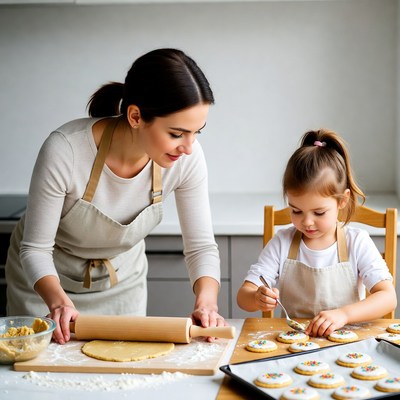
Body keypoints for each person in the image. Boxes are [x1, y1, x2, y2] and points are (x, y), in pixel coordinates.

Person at [6, 48, 226, 344]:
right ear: (136, 116)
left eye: (197, 132)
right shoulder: (66, 151)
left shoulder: (186, 158)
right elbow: (34, 249)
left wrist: (206, 302)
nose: (188, 146)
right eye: (176, 134)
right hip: (46, 286)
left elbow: (201, 247)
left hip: (121, 283)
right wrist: (57, 303)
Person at [237, 129, 397, 337]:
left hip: (346, 342)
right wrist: (257, 298)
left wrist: (344, 314)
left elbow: (387, 297)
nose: (307, 222)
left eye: (319, 212)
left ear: (342, 201)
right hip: (294, 343)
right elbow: (243, 297)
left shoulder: (356, 242)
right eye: (296, 211)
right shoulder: (282, 243)